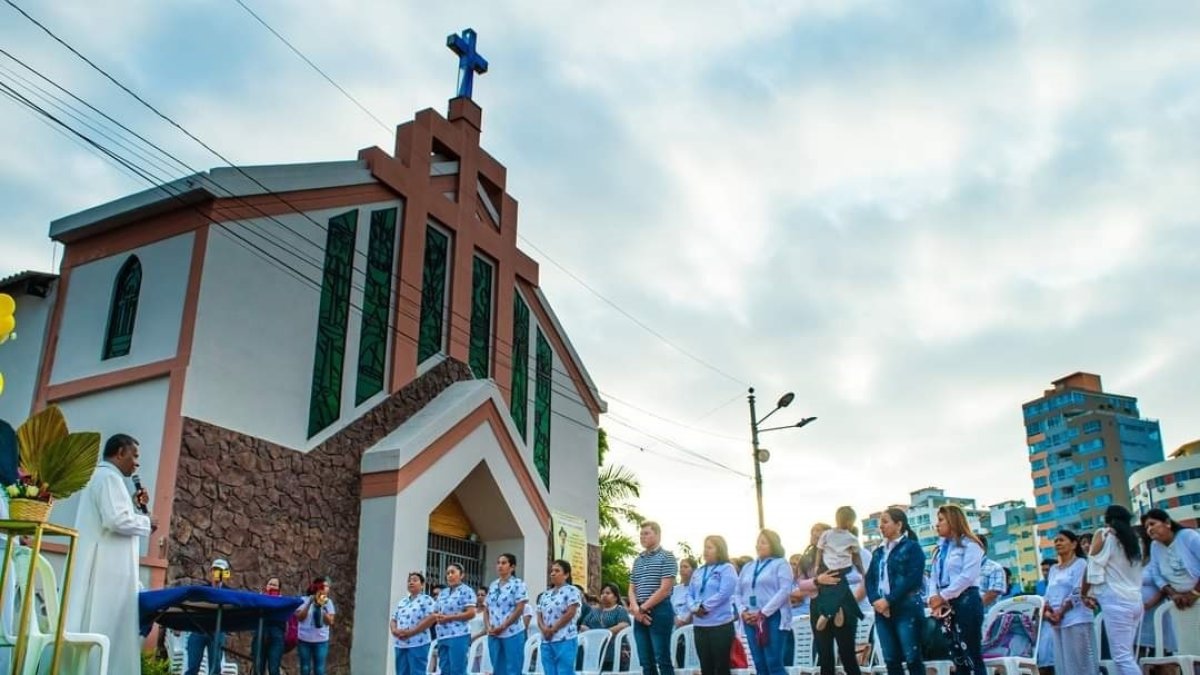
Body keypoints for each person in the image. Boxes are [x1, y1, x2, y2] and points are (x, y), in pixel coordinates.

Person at [67, 433, 155, 675]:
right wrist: (147, 522)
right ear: (120, 452)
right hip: (107, 571)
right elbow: (115, 520)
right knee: (106, 625)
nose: (137, 463)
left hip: (102, 563)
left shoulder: (100, 476)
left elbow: (113, 516)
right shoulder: (109, 478)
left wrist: (135, 507)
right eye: (134, 455)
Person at [865, 507, 926, 675]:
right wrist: (876, 601)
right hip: (882, 611)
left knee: (912, 658)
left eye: (885, 522)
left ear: (899, 525)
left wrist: (889, 600)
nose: (881, 526)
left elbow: (913, 579)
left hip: (906, 608)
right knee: (891, 660)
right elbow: (869, 579)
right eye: (880, 523)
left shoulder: (912, 548)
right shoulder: (878, 552)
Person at [926, 504, 986, 675]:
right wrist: (933, 597)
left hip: (966, 600)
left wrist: (943, 596)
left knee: (971, 653)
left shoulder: (971, 545)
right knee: (956, 654)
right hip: (945, 604)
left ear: (953, 521)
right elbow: (934, 577)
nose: (937, 524)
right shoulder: (939, 550)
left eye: (941, 520)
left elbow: (968, 576)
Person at [1083, 505, 1143, 675]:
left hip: (1116, 601)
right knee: (1127, 655)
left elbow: (1091, 566)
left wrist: (1084, 593)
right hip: (1135, 601)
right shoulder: (1136, 541)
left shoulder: (1103, 534)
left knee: (1122, 657)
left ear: (1107, 519)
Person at [1141, 508, 1200, 657]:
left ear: (1167, 523)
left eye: (1152, 524)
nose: (1149, 529)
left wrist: (1194, 593)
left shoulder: (1188, 536)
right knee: (1189, 649)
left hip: (1196, 597)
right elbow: (1157, 575)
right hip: (1180, 603)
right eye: (1146, 527)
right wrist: (1173, 594)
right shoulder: (1155, 546)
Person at [737, 529, 795, 675]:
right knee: (759, 663)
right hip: (750, 619)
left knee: (773, 662)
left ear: (773, 545)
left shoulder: (781, 564)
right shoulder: (748, 567)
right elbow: (737, 593)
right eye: (758, 542)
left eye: (763, 542)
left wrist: (763, 612)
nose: (759, 545)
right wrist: (743, 611)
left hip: (773, 618)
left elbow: (785, 590)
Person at [1043, 530, 1097, 674]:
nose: (1058, 543)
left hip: (1076, 619)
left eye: (1061, 540)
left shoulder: (1080, 564)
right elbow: (1048, 594)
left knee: (1081, 664)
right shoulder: (1054, 569)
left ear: (1073, 544)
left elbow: (1078, 590)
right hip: (1057, 622)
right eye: (1056, 541)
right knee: (1063, 665)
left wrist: (1061, 612)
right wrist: (1048, 612)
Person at [628, 521, 677, 675]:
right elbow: (631, 588)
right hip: (639, 611)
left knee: (662, 658)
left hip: (659, 610)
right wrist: (636, 609)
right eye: (641, 534)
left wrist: (643, 608)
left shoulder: (667, 556)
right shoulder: (638, 560)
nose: (642, 537)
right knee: (645, 661)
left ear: (658, 535)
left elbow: (665, 589)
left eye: (647, 533)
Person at [689, 536, 737, 675]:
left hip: (720, 625)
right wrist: (693, 607)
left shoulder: (727, 568)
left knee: (721, 667)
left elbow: (724, 593)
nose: (706, 551)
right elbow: (690, 593)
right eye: (705, 547)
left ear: (719, 550)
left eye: (710, 547)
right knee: (706, 667)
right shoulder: (698, 571)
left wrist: (704, 607)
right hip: (700, 626)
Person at [813, 507, 864, 633]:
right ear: (850, 522)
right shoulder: (837, 535)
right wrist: (862, 571)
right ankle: (835, 609)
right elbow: (856, 558)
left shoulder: (845, 537)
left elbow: (856, 557)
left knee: (835, 587)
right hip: (835, 567)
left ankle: (829, 611)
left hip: (837, 567)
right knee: (838, 586)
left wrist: (817, 566)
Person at [186, 558, 232, 675]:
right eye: (215, 570)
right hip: (198, 629)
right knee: (192, 668)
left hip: (218, 632)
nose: (217, 573)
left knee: (215, 669)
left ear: (225, 573)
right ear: (211, 571)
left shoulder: (230, 593)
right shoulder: (202, 590)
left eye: (221, 571)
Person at [485, 553, 529, 675]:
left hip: (512, 632)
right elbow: (486, 609)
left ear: (512, 567)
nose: (500, 566)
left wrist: (503, 626)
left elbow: (519, 608)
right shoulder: (493, 585)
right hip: (494, 633)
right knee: (497, 668)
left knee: (513, 668)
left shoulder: (518, 584)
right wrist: (488, 627)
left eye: (504, 563)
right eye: (498, 563)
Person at [538, 560, 583, 675]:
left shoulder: (572, 590)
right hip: (546, 639)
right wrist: (544, 629)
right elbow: (539, 615)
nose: (553, 573)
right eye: (552, 571)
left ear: (566, 575)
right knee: (549, 672)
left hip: (565, 638)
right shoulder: (545, 594)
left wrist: (553, 629)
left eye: (557, 571)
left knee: (564, 671)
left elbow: (570, 612)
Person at [434, 563, 477, 675]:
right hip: (443, 635)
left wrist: (449, 618)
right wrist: (437, 616)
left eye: (453, 572)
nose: (450, 575)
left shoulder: (467, 591)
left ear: (461, 575)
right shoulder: (443, 593)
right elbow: (436, 611)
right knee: (444, 669)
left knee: (457, 669)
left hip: (458, 634)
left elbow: (471, 613)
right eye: (448, 573)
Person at [392, 572, 436, 675]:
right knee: (401, 672)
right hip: (400, 643)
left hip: (418, 642)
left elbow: (432, 617)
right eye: (409, 581)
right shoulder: (402, 602)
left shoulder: (426, 600)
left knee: (417, 672)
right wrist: (395, 631)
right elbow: (394, 619)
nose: (411, 582)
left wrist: (411, 632)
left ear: (422, 584)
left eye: (415, 580)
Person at [582, 582, 630, 670]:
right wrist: (592, 634)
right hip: (593, 646)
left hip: (612, 646)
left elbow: (624, 625)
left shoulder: (620, 610)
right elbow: (583, 625)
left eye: (608, 593)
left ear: (615, 597)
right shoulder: (594, 611)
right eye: (602, 593)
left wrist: (604, 634)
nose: (604, 595)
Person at [295, 577, 336, 675]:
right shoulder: (303, 600)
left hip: (321, 641)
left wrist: (321, 607)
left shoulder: (328, 602)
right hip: (304, 640)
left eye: (328, 586)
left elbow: (330, 621)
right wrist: (309, 603)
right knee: (305, 668)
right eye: (325, 586)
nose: (327, 588)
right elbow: (300, 618)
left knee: (319, 669)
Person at [255, 577, 287, 675]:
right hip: (260, 633)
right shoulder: (259, 598)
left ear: (279, 589)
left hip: (276, 635)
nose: (272, 586)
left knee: (273, 668)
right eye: (270, 584)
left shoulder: (283, 601)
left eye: (274, 585)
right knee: (258, 667)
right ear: (266, 586)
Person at [976, 535, 1007, 610]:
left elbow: (993, 594)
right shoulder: (964, 569)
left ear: (982, 548)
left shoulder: (995, 568)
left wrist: (973, 610)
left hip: (986, 614)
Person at [673, 557, 696, 628]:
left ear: (694, 570)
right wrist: (675, 619)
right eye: (681, 567)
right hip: (675, 626)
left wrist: (686, 620)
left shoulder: (698, 588)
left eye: (685, 567)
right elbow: (671, 608)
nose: (682, 569)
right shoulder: (675, 589)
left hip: (692, 626)